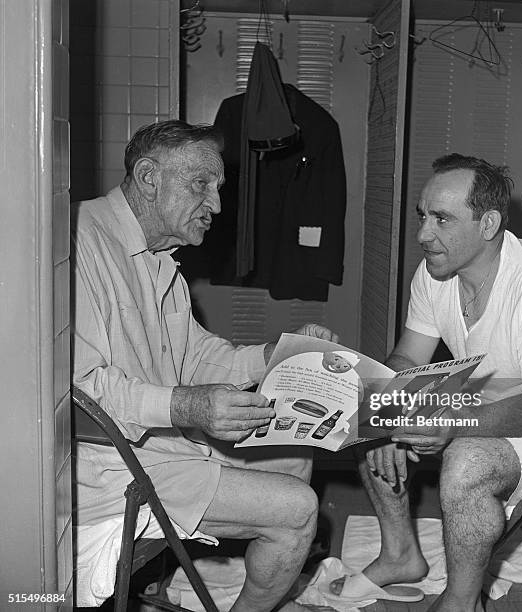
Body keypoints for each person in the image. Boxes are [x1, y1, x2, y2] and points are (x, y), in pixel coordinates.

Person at [71, 119, 339, 611]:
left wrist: (278, 353)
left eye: (218, 187)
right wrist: (189, 407)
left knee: (296, 456)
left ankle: (253, 566)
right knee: (300, 511)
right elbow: (81, 394)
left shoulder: (158, 258)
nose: (217, 204)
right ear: (149, 177)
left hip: (165, 447)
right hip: (106, 464)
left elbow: (195, 355)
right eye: (202, 185)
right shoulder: (78, 243)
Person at [331, 154, 522, 611]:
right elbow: (406, 358)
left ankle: (460, 603)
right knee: (369, 409)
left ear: (489, 223)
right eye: (423, 215)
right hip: (502, 408)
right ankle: (400, 555)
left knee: (465, 460)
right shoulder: (438, 270)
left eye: (442, 218)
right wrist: (385, 411)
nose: (423, 234)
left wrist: (450, 421)